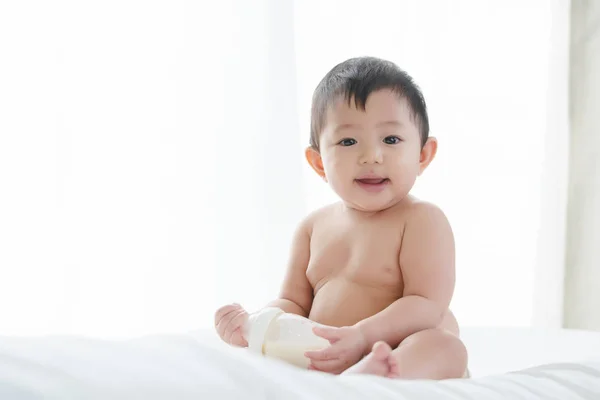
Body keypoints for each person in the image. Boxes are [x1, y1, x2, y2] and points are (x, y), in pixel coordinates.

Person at [214, 56, 468, 380]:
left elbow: (426, 305)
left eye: (391, 139)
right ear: (319, 163)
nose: (371, 156)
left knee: (446, 347)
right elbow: (293, 302)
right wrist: (256, 325)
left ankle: (382, 375)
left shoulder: (422, 221)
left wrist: (363, 336)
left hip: (390, 350)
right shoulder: (312, 228)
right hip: (323, 357)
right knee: (264, 353)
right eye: (348, 141)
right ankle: (352, 380)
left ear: (422, 155)